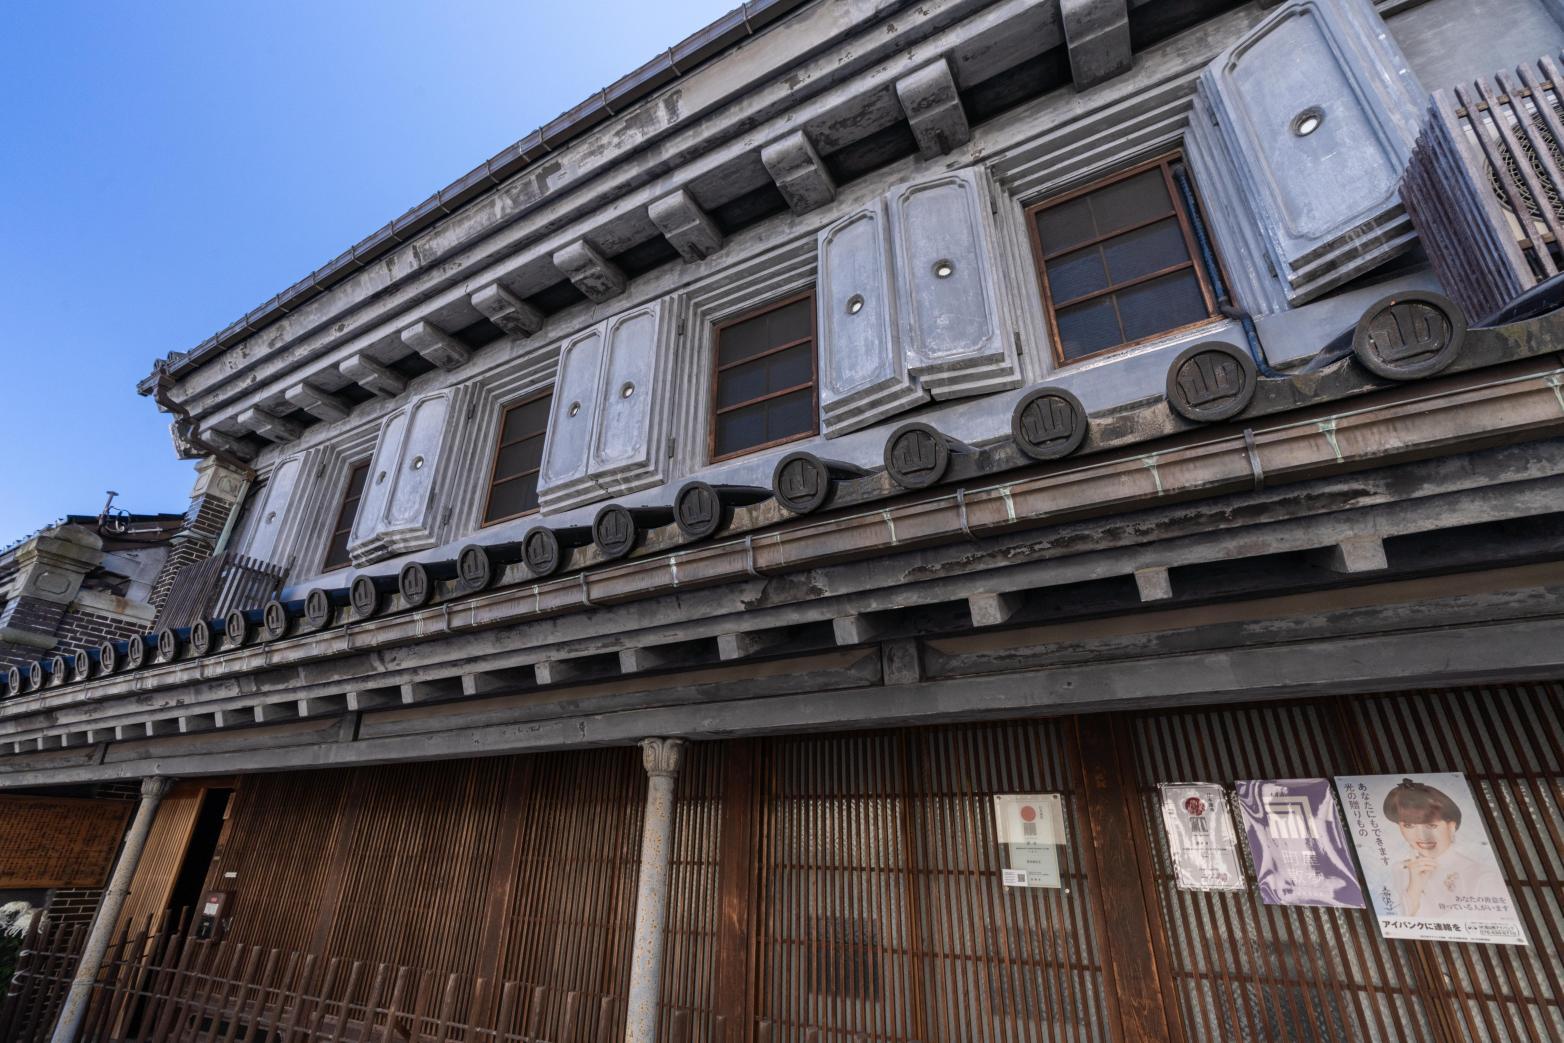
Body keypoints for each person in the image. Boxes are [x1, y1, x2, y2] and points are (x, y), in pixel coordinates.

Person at [1381, 778, 1508, 918]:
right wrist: (1414, 887)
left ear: (1451, 826)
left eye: (1431, 825)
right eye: (1409, 825)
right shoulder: (1400, 869)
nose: (1422, 836)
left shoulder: (1482, 876)